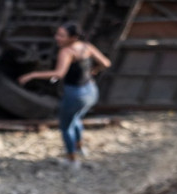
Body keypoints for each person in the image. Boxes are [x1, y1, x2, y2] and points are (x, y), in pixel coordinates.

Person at [17, 23, 112, 168]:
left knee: (66, 126)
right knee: (77, 119)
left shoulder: (67, 52)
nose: (57, 38)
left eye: (61, 35)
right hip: (91, 91)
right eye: (57, 34)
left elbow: (59, 74)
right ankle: (80, 148)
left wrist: (32, 75)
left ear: (73, 38)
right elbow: (106, 63)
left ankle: (72, 159)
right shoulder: (87, 46)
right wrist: (94, 70)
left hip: (76, 94)